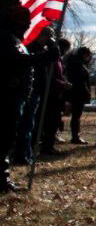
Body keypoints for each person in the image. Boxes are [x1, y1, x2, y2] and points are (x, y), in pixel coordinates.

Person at [2, 6, 58, 192]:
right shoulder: (6, 38)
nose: (27, 27)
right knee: (5, 138)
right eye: (25, 24)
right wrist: (44, 57)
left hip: (17, 96)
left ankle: (3, 177)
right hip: (8, 95)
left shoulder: (15, 40)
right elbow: (18, 60)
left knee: (8, 137)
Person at [15, 27, 61, 164]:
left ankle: (27, 154)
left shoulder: (42, 50)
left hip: (37, 90)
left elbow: (53, 59)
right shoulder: (30, 49)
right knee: (26, 124)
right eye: (49, 37)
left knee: (31, 124)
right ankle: (22, 156)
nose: (50, 40)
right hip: (30, 90)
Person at [39, 37, 71, 156]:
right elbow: (51, 78)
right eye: (65, 49)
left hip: (57, 95)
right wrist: (64, 84)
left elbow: (60, 76)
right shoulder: (52, 60)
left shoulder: (59, 60)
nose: (65, 51)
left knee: (54, 123)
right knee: (49, 123)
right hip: (50, 95)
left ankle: (50, 145)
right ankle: (46, 147)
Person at [65, 46, 92, 144]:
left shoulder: (75, 63)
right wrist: (86, 93)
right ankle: (75, 136)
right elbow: (81, 81)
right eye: (88, 55)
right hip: (78, 93)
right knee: (76, 116)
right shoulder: (78, 65)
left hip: (75, 92)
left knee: (76, 116)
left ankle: (76, 135)